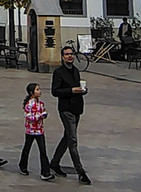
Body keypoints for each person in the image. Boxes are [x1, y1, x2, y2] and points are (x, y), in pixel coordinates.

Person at [50, 45, 91, 185]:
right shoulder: (59, 72)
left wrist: (82, 90)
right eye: (67, 54)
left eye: (71, 54)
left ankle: (54, 163)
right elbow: (55, 91)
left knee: (67, 137)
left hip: (76, 108)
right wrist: (71, 90)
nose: (70, 56)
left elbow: (77, 87)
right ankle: (80, 172)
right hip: (66, 110)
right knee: (73, 140)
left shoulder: (75, 71)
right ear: (62, 57)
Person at [18, 82, 54, 180]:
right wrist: (40, 116)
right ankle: (23, 166)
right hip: (31, 130)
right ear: (31, 92)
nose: (39, 91)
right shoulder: (29, 104)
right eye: (37, 89)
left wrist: (44, 114)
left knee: (43, 151)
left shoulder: (40, 103)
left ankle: (45, 172)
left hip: (39, 130)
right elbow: (29, 117)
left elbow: (42, 111)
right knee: (27, 148)